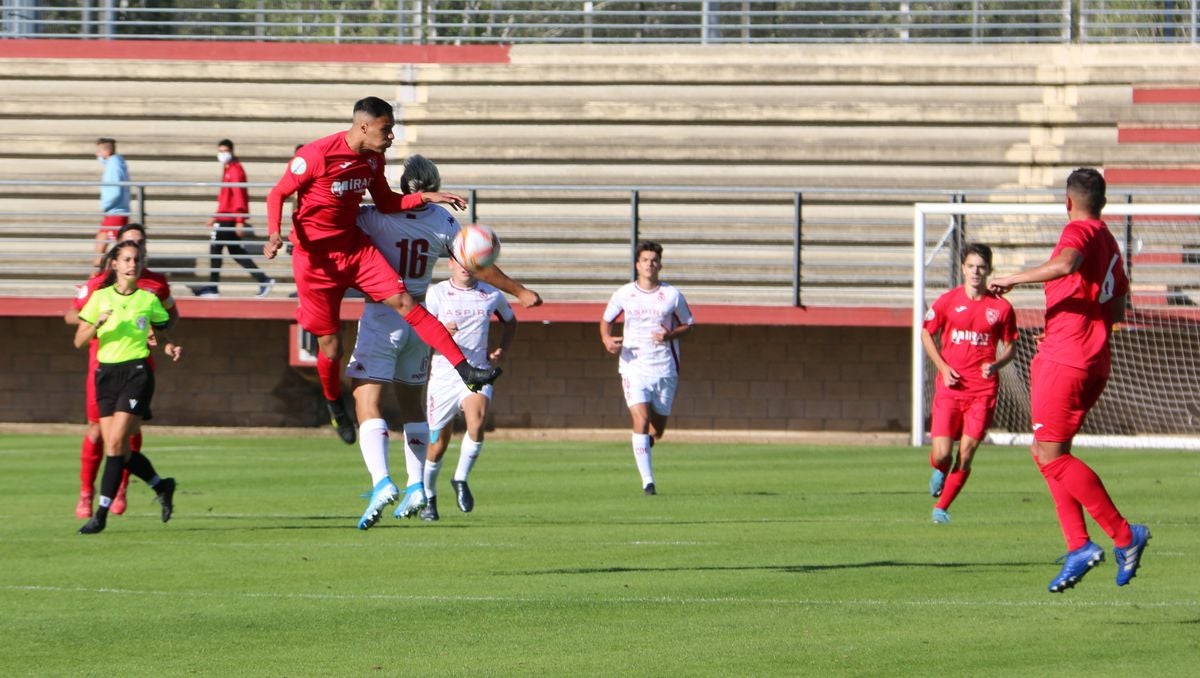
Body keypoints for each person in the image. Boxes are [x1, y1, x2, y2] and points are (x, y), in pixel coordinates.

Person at [264, 96, 499, 446]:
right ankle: (334, 404)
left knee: (406, 302)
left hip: (356, 250)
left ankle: (466, 371)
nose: (391, 137)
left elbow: (387, 202)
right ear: (363, 126)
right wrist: (274, 233)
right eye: (386, 129)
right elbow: (277, 194)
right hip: (316, 263)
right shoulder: (315, 156)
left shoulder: (373, 159)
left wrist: (425, 197)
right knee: (329, 347)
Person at [347, 154, 540, 530]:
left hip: (383, 315)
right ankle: (416, 485)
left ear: (404, 187)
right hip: (421, 320)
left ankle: (381, 481)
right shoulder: (444, 222)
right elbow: (477, 264)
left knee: (366, 399)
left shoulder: (375, 217)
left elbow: (335, 227)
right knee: (412, 407)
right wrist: (518, 290)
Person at [989, 167, 1150, 593]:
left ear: (1068, 201)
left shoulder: (1078, 231)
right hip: (1092, 359)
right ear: (1105, 201)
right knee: (1044, 452)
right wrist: (1063, 323)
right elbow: (1116, 311)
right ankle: (1078, 545)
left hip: (1066, 359)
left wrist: (1012, 278)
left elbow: (1066, 263)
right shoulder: (1111, 243)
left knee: (1054, 457)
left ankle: (1122, 535)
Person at [65, 223, 177, 520]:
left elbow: (166, 320)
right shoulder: (99, 286)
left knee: (123, 437)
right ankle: (90, 492)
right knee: (104, 436)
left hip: (138, 368)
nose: (134, 256)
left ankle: (111, 500)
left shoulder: (155, 286)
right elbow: (73, 318)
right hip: (102, 369)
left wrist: (162, 341)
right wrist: (94, 323)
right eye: (129, 248)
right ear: (116, 255)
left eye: (139, 247)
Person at [920, 243, 1018, 524]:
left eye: (982, 267)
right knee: (942, 454)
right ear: (963, 268)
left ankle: (942, 507)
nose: (976, 272)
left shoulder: (1000, 308)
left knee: (967, 452)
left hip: (982, 391)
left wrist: (996, 364)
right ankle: (938, 469)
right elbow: (927, 334)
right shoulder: (948, 301)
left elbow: (1011, 347)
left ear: (989, 271)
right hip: (950, 389)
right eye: (971, 266)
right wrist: (943, 366)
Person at [419, 257, 519, 522]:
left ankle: (460, 479)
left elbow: (511, 321)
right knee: (437, 445)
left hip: (476, 372)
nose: (464, 266)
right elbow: (420, 330)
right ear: (450, 264)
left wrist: (502, 349)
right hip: (443, 377)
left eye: (470, 260)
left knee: (477, 421)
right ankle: (429, 498)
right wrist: (440, 331)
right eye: (458, 260)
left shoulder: (490, 294)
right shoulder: (437, 293)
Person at [600, 241, 694, 495]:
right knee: (640, 421)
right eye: (645, 260)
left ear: (660, 264)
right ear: (637, 265)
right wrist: (607, 340)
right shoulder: (624, 293)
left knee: (657, 430)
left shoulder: (672, 295)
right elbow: (606, 320)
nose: (649, 264)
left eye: (654, 260)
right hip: (633, 366)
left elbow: (688, 324)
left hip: (664, 369)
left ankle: (642, 445)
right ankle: (648, 482)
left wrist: (670, 335)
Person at [194, 139, 274, 298]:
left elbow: (239, 196)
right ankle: (263, 279)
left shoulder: (235, 170)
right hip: (224, 216)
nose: (222, 154)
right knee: (235, 251)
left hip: (229, 218)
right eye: (220, 151)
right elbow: (226, 198)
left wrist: (239, 220)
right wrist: (215, 216)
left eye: (225, 151)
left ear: (231, 151)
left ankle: (213, 287)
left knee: (215, 249)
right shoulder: (229, 168)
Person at [94, 138, 130, 267]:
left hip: (115, 212)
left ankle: (95, 280)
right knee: (101, 244)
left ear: (106, 151)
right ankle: (94, 280)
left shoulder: (114, 165)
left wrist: (105, 206)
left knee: (114, 250)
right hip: (116, 212)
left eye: (98, 151)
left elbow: (115, 190)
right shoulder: (116, 163)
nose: (97, 155)